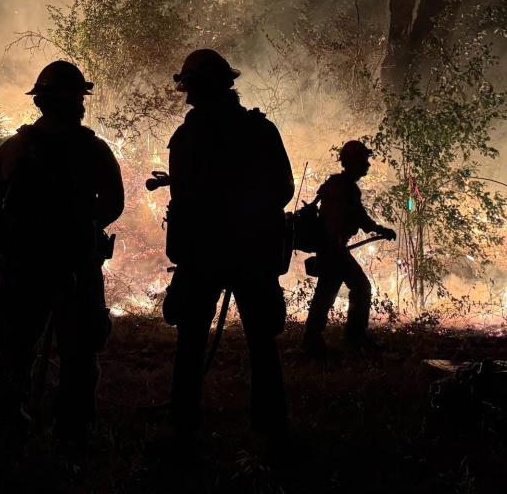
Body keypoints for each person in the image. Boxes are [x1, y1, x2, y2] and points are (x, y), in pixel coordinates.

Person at [0, 61, 124, 447]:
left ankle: (9, 421)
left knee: (16, 347)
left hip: (23, 265)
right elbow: (113, 204)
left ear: (41, 102)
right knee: (79, 352)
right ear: (78, 102)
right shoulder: (93, 149)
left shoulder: (13, 148)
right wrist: (81, 224)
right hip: (76, 265)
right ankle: (75, 428)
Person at [163, 49, 294, 443]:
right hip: (253, 251)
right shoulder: (260, 130)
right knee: (261, 342)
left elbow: (184, 196)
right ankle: (270, 428)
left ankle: (184, 429)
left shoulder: (188, 137)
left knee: (190, 342)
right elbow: (283, 189)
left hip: (203, 254)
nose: (186, 96)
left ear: (200, 89)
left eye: (189, 88)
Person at [302, 140, 396, 357]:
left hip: (331, 248)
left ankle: (312, 340)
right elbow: (358, 218)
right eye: (364, 160)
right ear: (353, 162)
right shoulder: (345, 187)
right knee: (361, 288)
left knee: (325, 294)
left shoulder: (337, 184)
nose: (367, 165)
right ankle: (354, 338)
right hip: (334, 249)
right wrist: (380, 229)